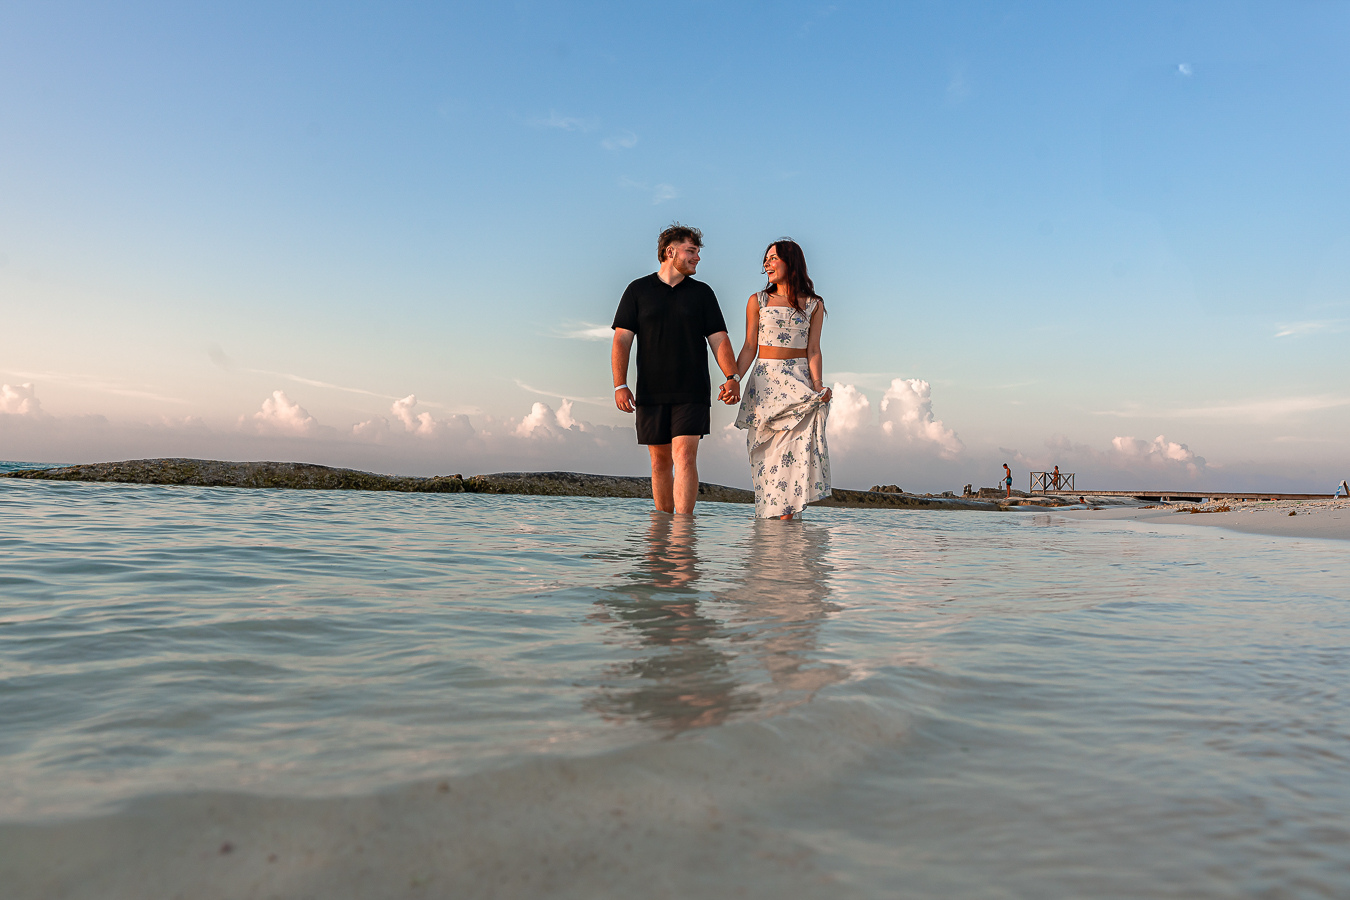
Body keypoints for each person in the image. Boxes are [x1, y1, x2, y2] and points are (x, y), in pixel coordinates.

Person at [612, 224, 740, 515]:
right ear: (670, 252)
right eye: (691, 251)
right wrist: (620, 384)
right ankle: (661, 536)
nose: (697, 258)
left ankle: (683, 536)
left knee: (684, 456)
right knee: (659, 463)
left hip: (692, 390)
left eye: (697, 252)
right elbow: (621, 339)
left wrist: (731, 377)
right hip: (650, 391)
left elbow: (719, 339)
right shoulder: (637, 290)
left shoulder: (703, 293)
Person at [732, 239, 832, 519]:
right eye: (766, 259)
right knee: (767, 463)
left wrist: (818, 386)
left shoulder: (813, 305)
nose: (767, 264)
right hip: (764, 388)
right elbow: (750, 347)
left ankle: (788, 534)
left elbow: (813, 349)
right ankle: (769, 543)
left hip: (798, 388)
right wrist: (734, 379)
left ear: (791, 262)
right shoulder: (758, 301)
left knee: (792, 465)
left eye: (773, 258)